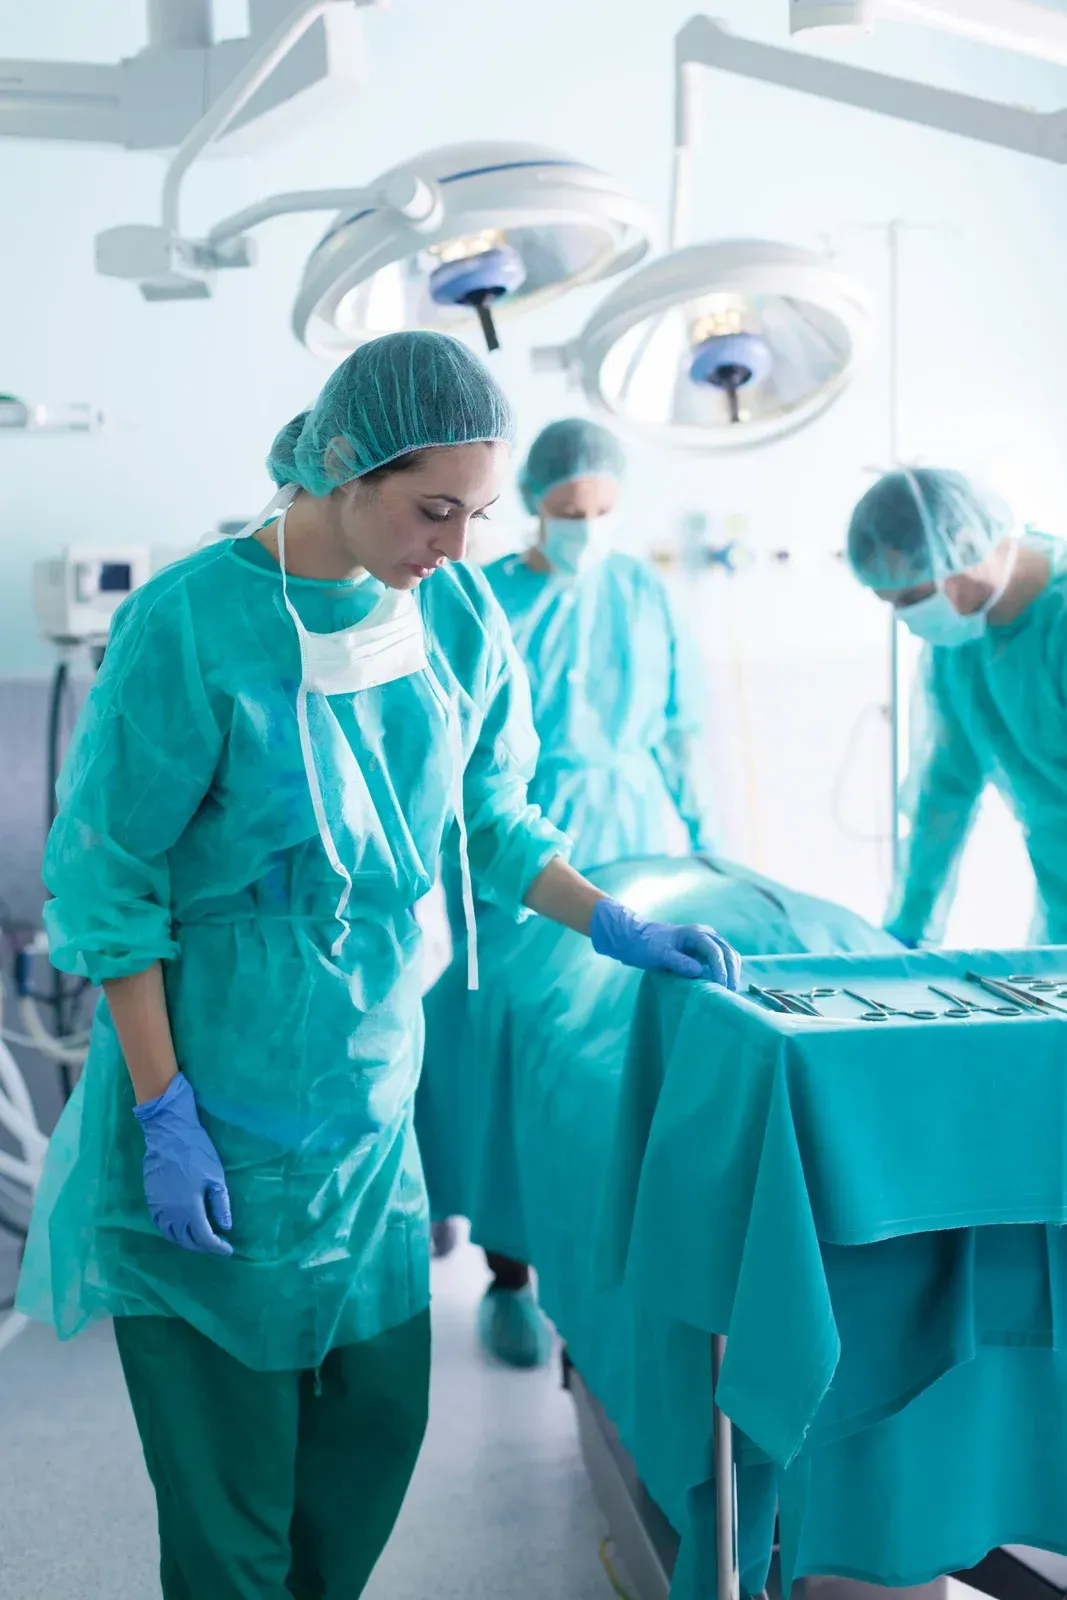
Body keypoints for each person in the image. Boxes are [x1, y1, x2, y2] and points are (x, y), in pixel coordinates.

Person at [17, 330, 743, 1600]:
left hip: (363, 1122)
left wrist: (607, 917)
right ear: (343, 469)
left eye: (477, 511)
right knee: (229, 1514)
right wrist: (162, 1108)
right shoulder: (187, 626)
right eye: (431, 509)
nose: (457, 543)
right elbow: (109, 888)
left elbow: (498, 818)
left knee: (368, 1446)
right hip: (208, 1113)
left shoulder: (451, 612)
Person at [428, 416, 718, 1370]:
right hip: (514, 846)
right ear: (532, 508)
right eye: (565, 510)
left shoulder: (644, 591)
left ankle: (615, 1270)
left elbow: (679, 726)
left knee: (613, 1060)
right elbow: (464, 751)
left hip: (639, 830)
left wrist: (704, 839)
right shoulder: (485, 597)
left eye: (599, 510)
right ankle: (509, 1273)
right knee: (510, 1056)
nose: (585, 526)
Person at [847, 465, 1064, 946]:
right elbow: (943, 794)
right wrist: (908, 937)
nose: (907, 619)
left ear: (964, 545)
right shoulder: (958, 650)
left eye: (914, 597)